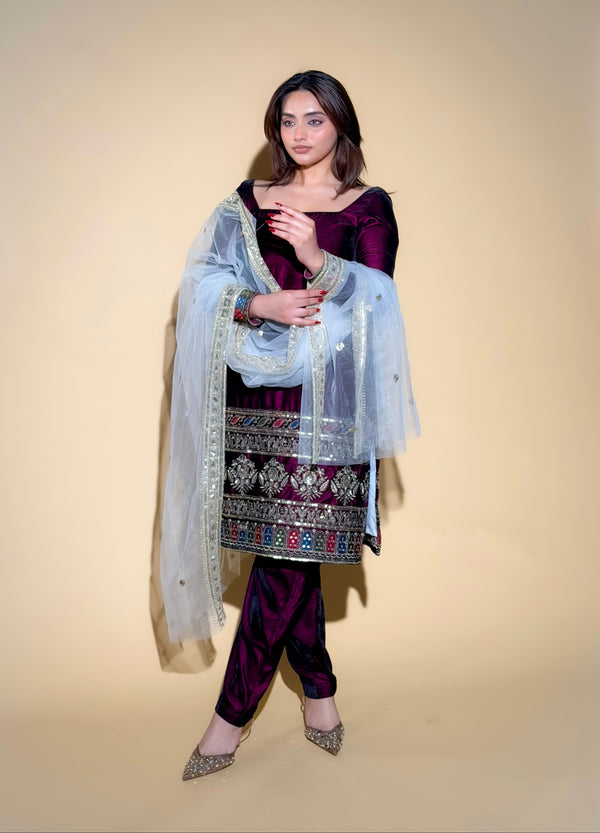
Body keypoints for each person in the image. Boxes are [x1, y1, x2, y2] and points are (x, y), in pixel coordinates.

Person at [160, 69, 420, 781]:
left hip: (327, 408)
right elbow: (203, 284)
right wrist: (256, 306)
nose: (300, 133)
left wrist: (313, 257)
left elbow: (377, 307)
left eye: (314, 119)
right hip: (256, 399)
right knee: (285, 552)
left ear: (341, 124)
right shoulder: (249, 202)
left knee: (283, 557)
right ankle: (322, 693)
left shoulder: (367, 207)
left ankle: (228, 719)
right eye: (287, 120)